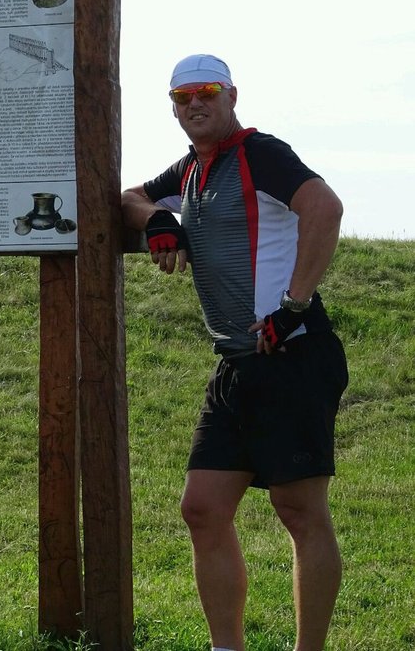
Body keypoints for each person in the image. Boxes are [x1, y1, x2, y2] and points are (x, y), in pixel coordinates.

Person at [121, 55, 348, 651]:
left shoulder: (259, 153)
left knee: (298, 510)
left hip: (294, 351)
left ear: (231, 95)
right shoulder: (194, 168)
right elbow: (131, 195)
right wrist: (158, 221)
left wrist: (292, 307)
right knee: (202, 508)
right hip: (238, 364)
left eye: (206, 92)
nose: (194, 104)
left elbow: (324, 208)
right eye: (181, 96)